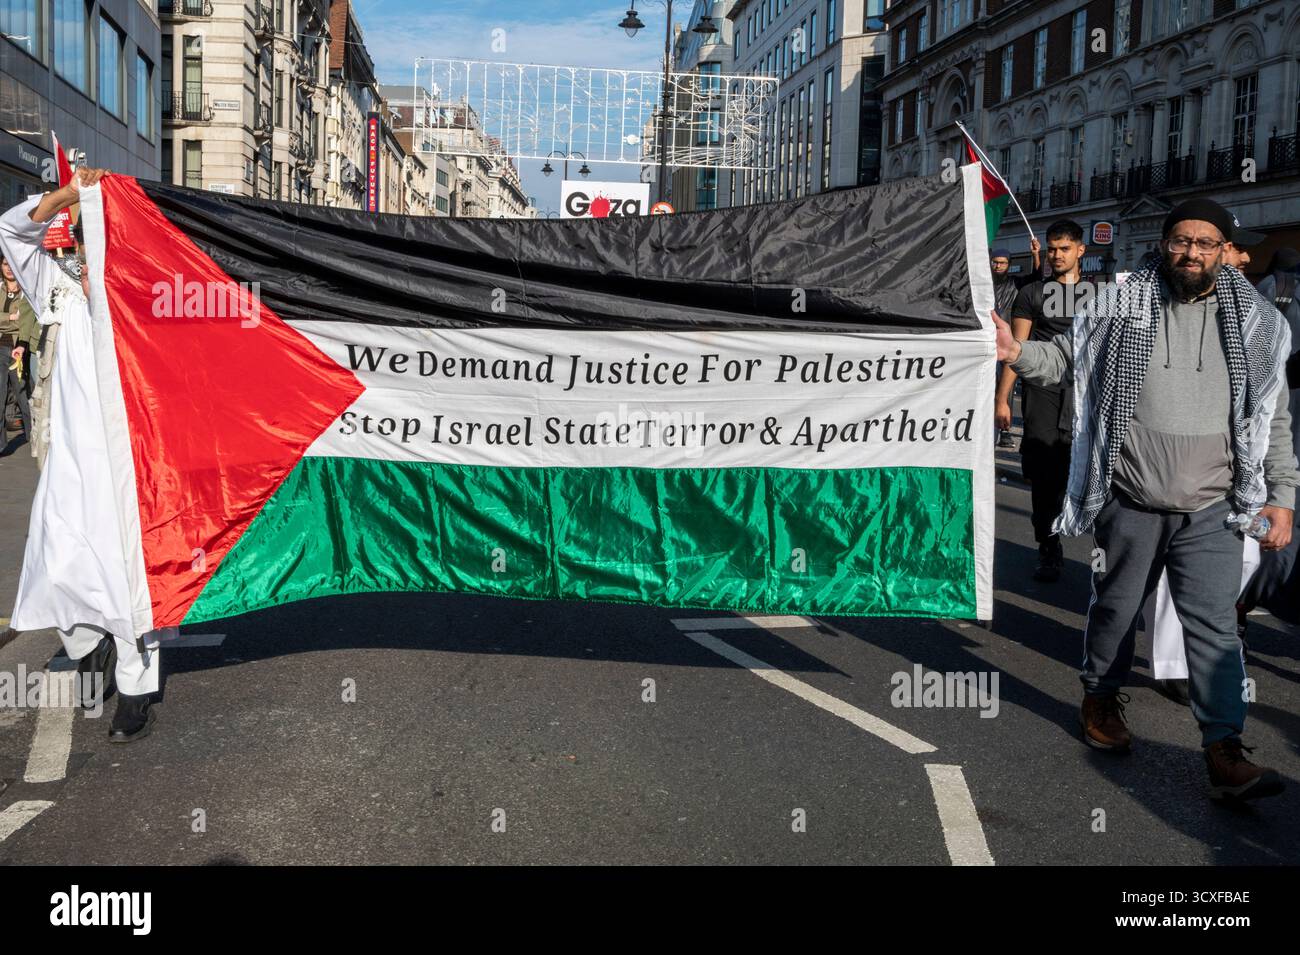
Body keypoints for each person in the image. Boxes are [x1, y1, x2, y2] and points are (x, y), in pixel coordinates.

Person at [995, 197, 1297, 802]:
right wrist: (1016, 353)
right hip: (1130, 498)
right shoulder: (1117, 301)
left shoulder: (1259, 322)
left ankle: (1224, 750)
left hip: (1215, 506)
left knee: (1213, 626)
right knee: (1116, 606)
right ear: (1164, 244)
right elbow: (1068, 363)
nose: (1191, 252)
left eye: (1205, 243)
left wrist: (1282, 494)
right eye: (1180, 241)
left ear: (1224, 250)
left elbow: (1273, 416)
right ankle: (1101, 699)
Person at [0, 168, 173, 743]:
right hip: (71, 456)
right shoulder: (54, 286)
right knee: (63, 559)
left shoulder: (141, 287)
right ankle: (87, 646)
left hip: (130, 459)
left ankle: (135, 689)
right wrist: (68, 195)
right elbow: (10, 229)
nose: (84, 229)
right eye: (79, 223)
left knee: (129, 573)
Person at [995, 221, 1085, 582]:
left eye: (1064, 248)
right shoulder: (1031, 294)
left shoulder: (1101, 297)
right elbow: (1016, 351)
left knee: (1075, 472)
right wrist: (1003, 400)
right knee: (1044, 476)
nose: (1056, 255)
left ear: (1080, 250)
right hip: (1041, 394)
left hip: (1082, 395)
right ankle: (1048, 546)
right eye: (1052, 248)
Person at [1, 252, 35, 445]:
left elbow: (25, 321)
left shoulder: (26, 292)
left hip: (18, 348)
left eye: (11, 263)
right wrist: (10, 317)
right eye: (5, 263)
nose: (8, 267)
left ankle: (34, 438)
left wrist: (10, 320)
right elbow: (16, 319)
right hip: (0, 347)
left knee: (23, 395)